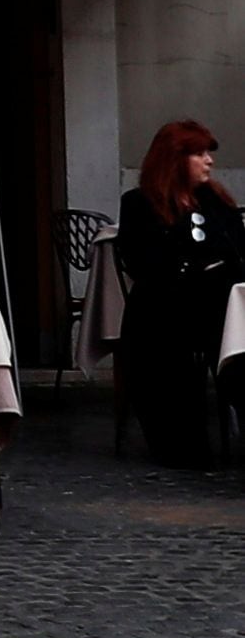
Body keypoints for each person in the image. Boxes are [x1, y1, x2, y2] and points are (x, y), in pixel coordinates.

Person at [114, 119, 244, 467]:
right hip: (164, 311)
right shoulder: (141, 204)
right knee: (163, 335)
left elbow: (237, 254)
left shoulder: (217, 202)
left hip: (218, 309)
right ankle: (181, 440)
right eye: (199, 153)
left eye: (207, 153)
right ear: (174, 158)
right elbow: (143, 263)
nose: (209, 161)